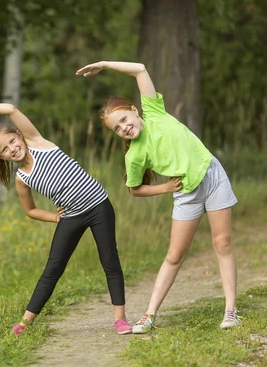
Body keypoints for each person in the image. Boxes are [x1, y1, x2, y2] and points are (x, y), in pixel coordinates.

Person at [76, 61, 239, 332]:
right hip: (185, 193)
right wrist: (164, 189)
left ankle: (231, 311)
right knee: (175, 255)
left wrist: (105, 65)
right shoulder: (134, 156)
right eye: (117, 129)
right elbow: (134, 189)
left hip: (212, 176)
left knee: (222, 243)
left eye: (124, 120)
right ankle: (149, 315)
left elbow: (140, 69)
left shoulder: (155, 113)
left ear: (134, 110)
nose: (124, 128)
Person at [0, 103, 131, 335]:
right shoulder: (21, 179)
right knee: (52, 268)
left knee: (109, 261)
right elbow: (30, 210)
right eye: (5, 150)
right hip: (70, 216)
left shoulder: (39, 143)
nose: (13, 149)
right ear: (1, 156)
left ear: (19, 135)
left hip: (99, 206)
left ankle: (120, 319)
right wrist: (54, 218)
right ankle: (25, 323)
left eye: (12, 142)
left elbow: (9, 108)